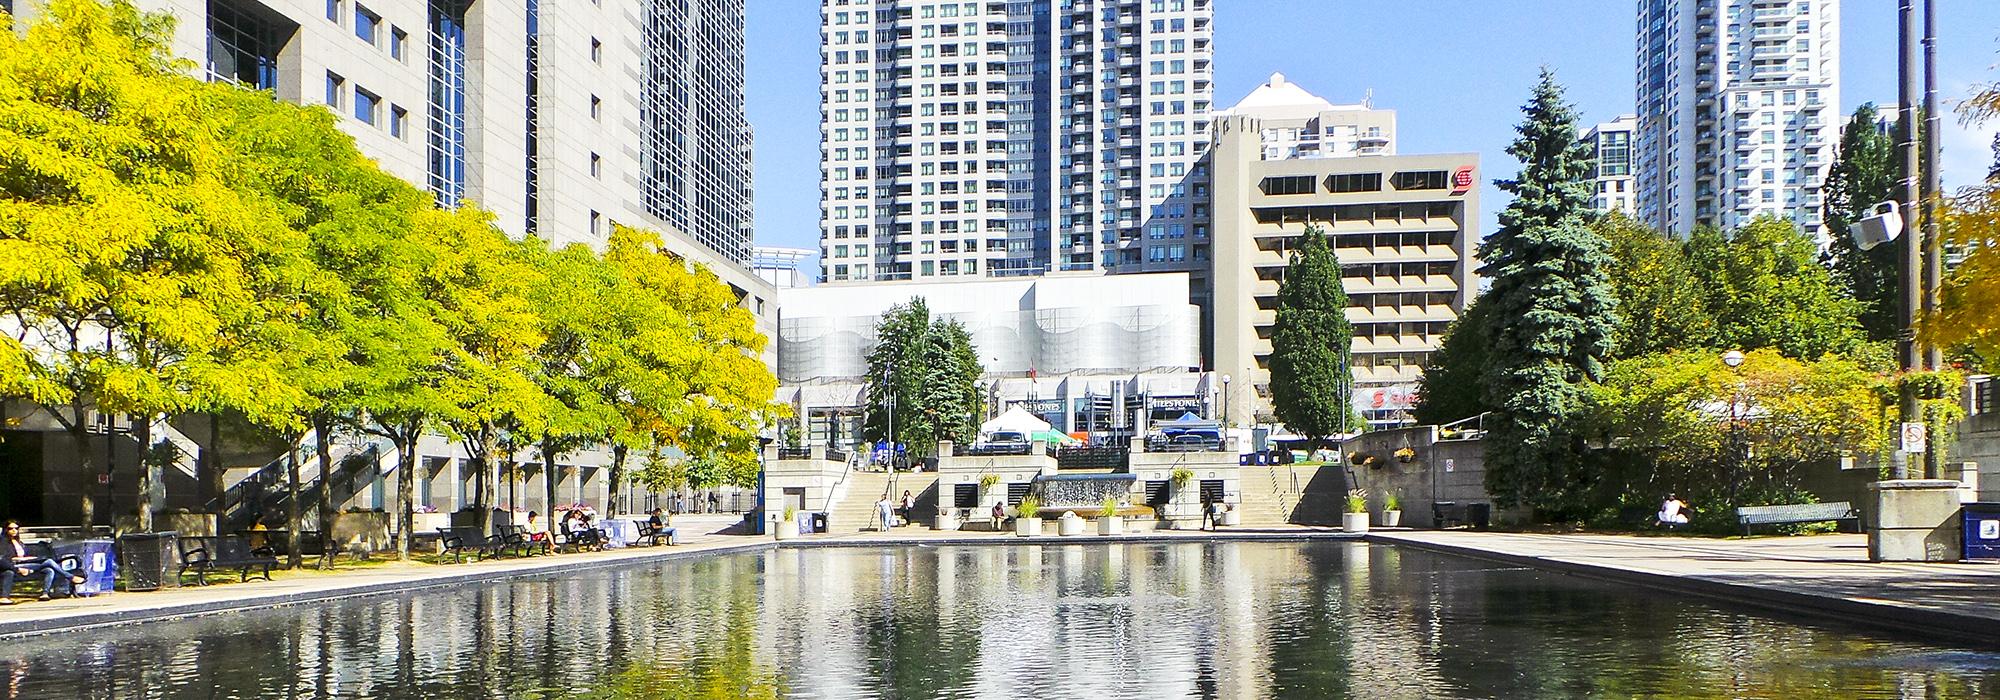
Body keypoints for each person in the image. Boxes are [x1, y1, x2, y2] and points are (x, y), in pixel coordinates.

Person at [3, 521, 81, 605]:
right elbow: (6, 558)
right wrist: (22, 559)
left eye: (16, 528)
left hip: (27, 563)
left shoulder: (19, 542)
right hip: (16, 566)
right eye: (11, 528)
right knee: (49, 561)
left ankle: (45, 594)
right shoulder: (3, 542)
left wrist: (29, 558)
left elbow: (25, 554)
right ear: (6, 530)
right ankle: (70, 577)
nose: (14, 530)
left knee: (49, 570)